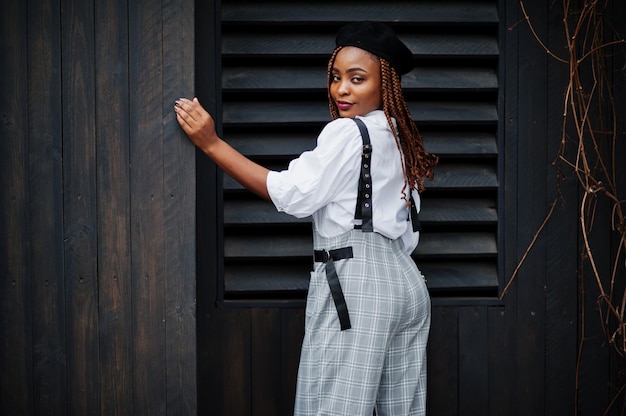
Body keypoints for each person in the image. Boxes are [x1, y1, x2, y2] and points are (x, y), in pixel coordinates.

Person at [175, 21, 437, 416]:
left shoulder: (348, 133)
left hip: (358, 282)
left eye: (357, 78)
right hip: (406, 283)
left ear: (386, 84)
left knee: (333, 406)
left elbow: (292, 194)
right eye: (336, 77)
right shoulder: (399, 137)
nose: (342, 89)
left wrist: (211, 144)